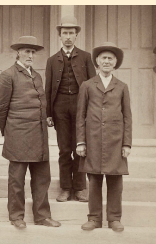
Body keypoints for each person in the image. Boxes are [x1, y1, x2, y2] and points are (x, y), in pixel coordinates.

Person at [0, 36, 61, 229]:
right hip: (18, 135)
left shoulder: (37, 76)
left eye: (33, 52)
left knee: (42, 178)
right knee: (17, 179)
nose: (30, 55)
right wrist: (10, 129)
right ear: (18, 53)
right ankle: (16, 216)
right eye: (26, 51)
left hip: (39, 135)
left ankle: (42, 216)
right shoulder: (8, 75)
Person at [76, 42, 132, 232]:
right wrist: (81, 141)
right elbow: (80, 115)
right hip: (93, 139)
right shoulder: (87, 85)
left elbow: (127, 116)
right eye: (103, 58)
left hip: (115, 141)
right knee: (94, 180)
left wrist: (127, 143)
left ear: (115, 63)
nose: (106, 61)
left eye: (110, 58)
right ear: (97, 62)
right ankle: (94, 218)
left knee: (115, 180)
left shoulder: (122, 87)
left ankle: (114, 218)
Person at [45, 15, 96, 202]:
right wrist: (48, 113)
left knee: (80, 147)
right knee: (64, 148)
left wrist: (92, 110)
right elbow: (48, 87)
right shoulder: (52, 60)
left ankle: (80, 187)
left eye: (71, 33)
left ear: (76, 36)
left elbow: (93, 85)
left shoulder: (86, 57)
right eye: (64, 33)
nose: (68, 36)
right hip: (60, 108)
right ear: (60, 36)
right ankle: (65, 187)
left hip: (81, 106)